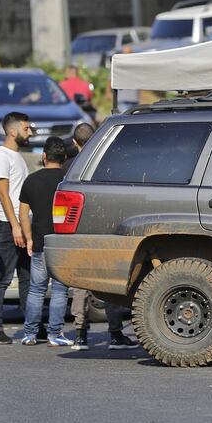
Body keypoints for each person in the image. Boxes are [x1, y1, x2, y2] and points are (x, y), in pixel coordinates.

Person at [63, 123, 139, 350]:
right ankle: (115, 334)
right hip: (106, 232)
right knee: (110, 287)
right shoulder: (111, 166)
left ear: (75, 143)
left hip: (78, 233)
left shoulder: (70, 168)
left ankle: (80, 334)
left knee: (79, 288)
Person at [18, 137, 74, 346]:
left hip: (40, 242)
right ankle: (55, 334)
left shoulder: (31, 180)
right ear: (65, 158)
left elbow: (24, 214)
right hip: (62, 243)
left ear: (44, 156)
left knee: (36, 289)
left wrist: (29, 238)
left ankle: (30, 334)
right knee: (60, 290)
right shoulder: (69, 180)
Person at [0, 112, 32, 345]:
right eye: (26, 128)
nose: (30, 132)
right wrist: (14, 226)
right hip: (9, 224)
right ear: (13, 131)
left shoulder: (16, 156)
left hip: (21, 223)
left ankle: (31, 326)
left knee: (26, 277)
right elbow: (3, 195)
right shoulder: (1, 157)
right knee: (3, 277)